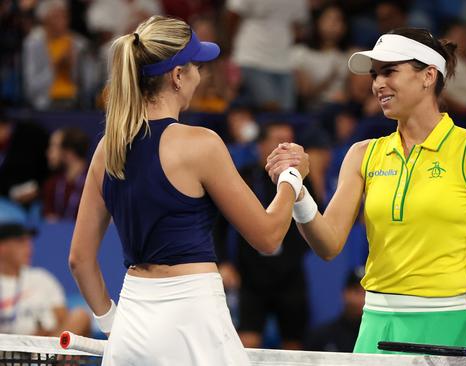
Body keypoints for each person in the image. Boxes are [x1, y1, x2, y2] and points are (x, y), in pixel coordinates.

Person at [267, 27, 466, 357]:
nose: (377, 84)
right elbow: (328, 244)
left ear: (428, 76)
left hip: (448, 329)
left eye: (389, 71)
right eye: (375, 75)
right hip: (376, 328)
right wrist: (299, 192)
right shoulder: (362, 154)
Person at [68, 15, 308, 366]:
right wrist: (291, 177)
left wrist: (112, 325)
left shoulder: (108, 147)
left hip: (132, 321)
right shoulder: (201, 144)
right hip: (193, 317)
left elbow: (79, 260)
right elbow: (269, 237)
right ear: (177, 76)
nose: (201, 74)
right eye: (196, 65)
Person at [218, 121, 310, 350]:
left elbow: (314, 219)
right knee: (247, 344)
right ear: (261, 146)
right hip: (251, 275)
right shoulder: (244, 177)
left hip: (290, 274)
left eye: (290, 142)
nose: (285, 148)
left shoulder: (302, 179)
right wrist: (224, 262)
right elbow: (217, 226)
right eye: (279, 142)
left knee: (294, 347)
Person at [0, 220, 90, 336]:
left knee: (80, 316)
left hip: (48, 345)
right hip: (11, 348)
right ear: (2, 247)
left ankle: (47, 355)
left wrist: (48, 334)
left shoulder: (41, 278)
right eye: (21, 242)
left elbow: (63, 319)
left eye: (29, 242)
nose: (29, 247)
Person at [304, 267, 365, 352]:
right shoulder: (321, 336)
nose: (361, 298)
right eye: (356, 291)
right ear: (345, 293)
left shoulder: (379, 338)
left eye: (366, 292)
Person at [42, 127, 89, 221]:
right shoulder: (51, 185)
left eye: (54, 146)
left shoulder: (97, 182)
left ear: (69, 152)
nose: (48, 153)